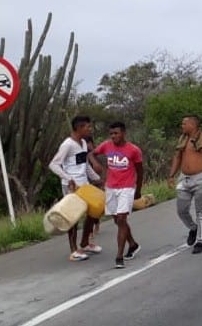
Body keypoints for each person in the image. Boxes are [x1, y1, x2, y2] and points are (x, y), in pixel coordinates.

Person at [48, 115, 104, 261]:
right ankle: (74, 251)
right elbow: (53, 164)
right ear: (79, 128)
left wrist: (97, 179)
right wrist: (68, 178)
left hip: (84, 185)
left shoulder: (84, 143)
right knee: (73, 217)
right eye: (87, 127)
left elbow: (84, 165)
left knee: (94, 212)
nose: (89, 129)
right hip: (71, 187)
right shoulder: (67, 144)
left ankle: (85, 243)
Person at [93, 122, 144, 269]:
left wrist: (138, 189)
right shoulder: (106, 146)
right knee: (117, 220)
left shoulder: (133, 150)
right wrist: (95, 164)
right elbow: (92, 153)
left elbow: (140, 171)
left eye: (116, 133)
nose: (114, 136)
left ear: (123, 133)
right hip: (111, 188)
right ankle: (133, 244)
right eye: (111, 134)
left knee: (122, 218)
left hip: (126, 188)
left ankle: (119, 256)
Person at [168, 114, 202, 254]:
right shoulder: (182, 140)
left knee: (200, 211)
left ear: (193, 125)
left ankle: (200, 240)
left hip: (201, 177)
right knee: (181, 210)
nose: (182, 126)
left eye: (184, 124)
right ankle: (193, 228)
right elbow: (177, 157)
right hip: (184, 178)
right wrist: (171, 175)